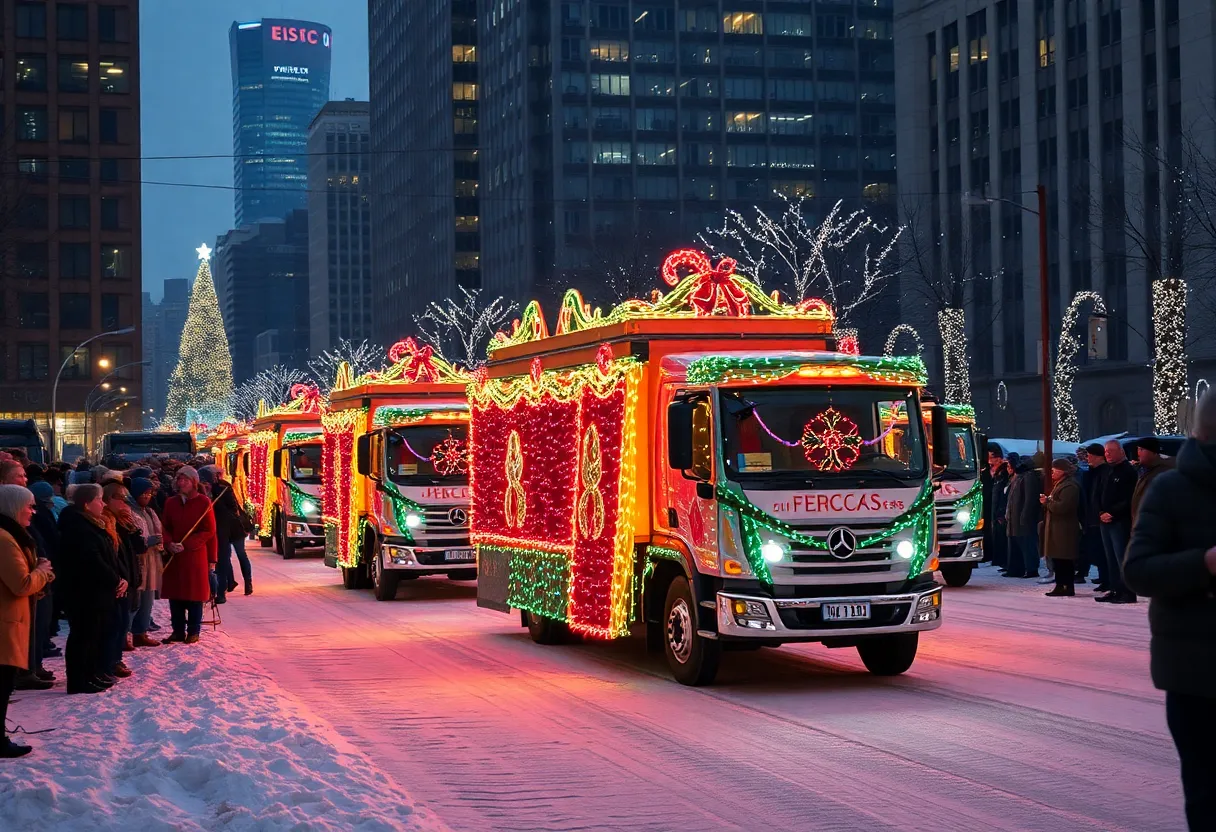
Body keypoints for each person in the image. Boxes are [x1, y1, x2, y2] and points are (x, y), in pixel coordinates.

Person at [1124, 392, 1216, 831]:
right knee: (1207, 794)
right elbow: (1137, 570)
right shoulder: (1173, 488)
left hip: (1190, 670)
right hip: (1196, 673)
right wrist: (1203, 564)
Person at [0, 485, 54, 756]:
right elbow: (21, 583)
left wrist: (41, 575)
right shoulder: (4, 539)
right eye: (29, 506)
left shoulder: (13, 536)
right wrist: (42, 572)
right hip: (5, 625)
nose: (33, 512)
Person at [57, 484, 125, 694]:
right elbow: (93, 560)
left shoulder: (91, 524)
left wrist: (119, 578)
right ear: (87, 504)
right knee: (83, 636)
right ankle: (79, 679)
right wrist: (115, 580)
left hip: (96, 591)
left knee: (93, 634)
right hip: (85, 592)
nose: (103, 504)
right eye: (99, 500)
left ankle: (91, 674)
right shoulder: (79, 527)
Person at [160, 466, 216, 644]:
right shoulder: (171, 502)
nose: (181, 483)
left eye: (185, 479)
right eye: (179, 479)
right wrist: (169, 543)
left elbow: (209, 530)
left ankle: (193, 630)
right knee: (175, 595)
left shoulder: (204, 502)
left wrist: (187, 544)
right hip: (175, 555)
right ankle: (177, 630)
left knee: (194, 595)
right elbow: (164, 526)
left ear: (194, 482)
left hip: (194, 555)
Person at [101, 483, 143, 678]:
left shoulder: (123, 521)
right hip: (117, 578)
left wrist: (132, 527)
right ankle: (111, 661)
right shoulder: (106, 521)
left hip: (128, 576)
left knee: (123, 619)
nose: (125, 502)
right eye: (121, 498)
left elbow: (139, 547)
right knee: (115, 623)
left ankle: (115, 659)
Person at [1097, 439, 1138, 604]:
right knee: (1111, 557)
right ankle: (1115, 589)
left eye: (1111, 451)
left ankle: (1127, 592)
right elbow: (1099, 494)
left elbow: (1129, 498)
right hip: (1104, 520)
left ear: (1121, 452)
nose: (1108, 454)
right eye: (1106, 451)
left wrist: (1112, 513)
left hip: (1120, 520)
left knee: (1121, 556)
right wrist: (1100, 512)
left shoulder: (1128, 471)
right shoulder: (1107, 471)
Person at [205, 466, 252, 602]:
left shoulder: (222, 488)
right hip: (225, 528)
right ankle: (231, 583)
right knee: (227, 556)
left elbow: (232, 507)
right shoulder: (214, 490)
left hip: (233, 527)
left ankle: (245, 581)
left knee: (237, 554)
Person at [127, 478, 164, 647]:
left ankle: (141, 632)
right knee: (136, 599)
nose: (147, 497)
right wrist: (148, 541)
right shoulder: (129, 512)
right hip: (138, 560)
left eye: (149, 494)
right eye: (144, 493)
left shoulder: (149, 511)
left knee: (148, 598)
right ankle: (126, 634)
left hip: (152, 559)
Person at [1040, 458, 1081, 597]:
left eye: (1053, 470)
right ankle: (1060, 585)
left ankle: (1065, 586)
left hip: (1064, 529)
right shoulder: (1061, 484)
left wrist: (1047, 502)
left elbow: (1063, 507)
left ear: (1061, 470)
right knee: (1059, 558)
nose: (1051, 473)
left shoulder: (1070, 487)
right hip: (1058, 528)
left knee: (1064, 559)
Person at [1080, 443, 1108, 589]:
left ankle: (1106, 578)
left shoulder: (1104, 472)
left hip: (1099, 517)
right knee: (1096, 549)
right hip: (1091, 516)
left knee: (1101, 550)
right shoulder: (1091, 472)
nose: (1087, 458)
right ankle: (1103, 577)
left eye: (1089, 455)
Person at [1131, 437, 1174, 525]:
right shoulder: (1143, 470)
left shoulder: (1163, 471)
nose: (1138, 453)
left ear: (1153, 452)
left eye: (1142, 450)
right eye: (1138, 449)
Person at [983, 446, 1011, 570]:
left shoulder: (1003, 473)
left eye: (991, 458)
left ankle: (1001, 559)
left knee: (1000, 534)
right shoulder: (987, 471)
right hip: (989, 505)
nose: (989, 461)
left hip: (998, 507)